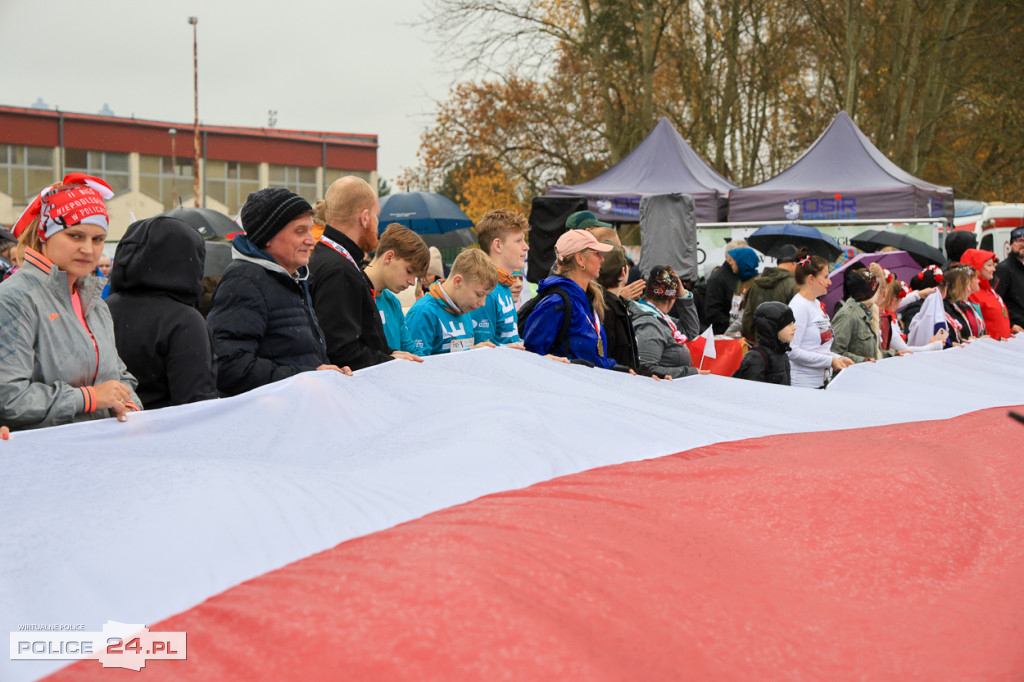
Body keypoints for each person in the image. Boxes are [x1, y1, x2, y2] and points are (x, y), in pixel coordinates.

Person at [0, 173, 141, 430]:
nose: (88, 249)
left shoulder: (96, 303)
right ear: (45, 235)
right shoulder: (14, 298)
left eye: (98, 239)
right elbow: (8, 399)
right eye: (75, 236)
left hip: (100, 449)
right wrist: (89, 398)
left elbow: (119, 377)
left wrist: (129, 406)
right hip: (44, 452)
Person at [207, 187, 349, 397]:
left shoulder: (293, 278)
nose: (311, 240)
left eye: (310, 230)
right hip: (267, 413)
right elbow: (227, 365)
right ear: (268, 237)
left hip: (294, 407)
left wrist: (329, 373)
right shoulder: (244, 281)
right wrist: (306, 376)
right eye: (300, 231)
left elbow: (299, 355)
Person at [106, 216, 218, 409]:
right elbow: (195, 404)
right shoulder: (184, 320)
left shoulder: (101, 308)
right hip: (160, 425)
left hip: (111, 421)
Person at [309, 176, 419, 369]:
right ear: (365, 217)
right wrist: (390, 362)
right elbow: (342, 352)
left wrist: (388, 353)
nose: (377, 225)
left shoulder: (333, 259)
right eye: (377, 216)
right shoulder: (338, 270)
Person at [522, 229, 618, 368]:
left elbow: (592, 358)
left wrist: (616, 368)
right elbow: (531, 357)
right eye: (597, 253)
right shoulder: (556, 302)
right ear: (580, 259)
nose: (602, 259)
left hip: (588, 381)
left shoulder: (587, 300)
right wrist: (567, 365)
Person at [403, 248, 498, 356]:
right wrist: (467, 356)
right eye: (479, 294)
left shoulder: (464, 307)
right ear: (458, 282)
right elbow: (415, 364)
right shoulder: (423, 313)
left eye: (486, 295)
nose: (483, 303)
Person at [787, 255, 854, 388]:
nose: (830, 282)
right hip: (803, 384)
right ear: (811, 279)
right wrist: (830, 360)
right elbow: (792, 351)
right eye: (825, 277)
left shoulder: (816, 303)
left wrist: (838, 358)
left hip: (821, 382)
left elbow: (820, 349)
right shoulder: (799, 306)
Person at [364, 223, 430, 355]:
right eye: (409, 271)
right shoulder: (352, 293)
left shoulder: (392, 302)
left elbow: (410, 350)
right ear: (389, 257)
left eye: (416, 276)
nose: (412, 282)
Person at [630, 265, 706, 378]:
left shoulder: (658, 317)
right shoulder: (650, 324)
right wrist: (689, 372)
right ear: (672, 299)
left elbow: (690, 330)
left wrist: (684, 296)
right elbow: (645, 368)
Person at [472, 209, 530, 346]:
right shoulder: (485, 291)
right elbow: (482, 352)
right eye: (519, 241)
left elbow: (511, 342)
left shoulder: (504, 285)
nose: (526, 247)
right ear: (498, 245)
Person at [831, 267, 899, 364]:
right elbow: (835, 352)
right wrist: (862, 360)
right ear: (870, 293)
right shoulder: (847, 315)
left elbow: (872, 354)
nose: (880, 292)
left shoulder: (868, 311)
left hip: (867, 371)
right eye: (877, 289)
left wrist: (893, 354)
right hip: (854, 372)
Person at [740, 244, 800, 343]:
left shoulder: (756, 284)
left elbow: (747, 320)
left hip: (761, 345)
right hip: (787, 346)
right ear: (794, 263)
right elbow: (799, 319)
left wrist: (759, 337)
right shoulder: (795, 285)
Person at [960, 248, 1020, 339]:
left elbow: (996, 321)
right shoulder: (973, 293)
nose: (994, 269)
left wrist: (1008, 331)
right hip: (991, 345)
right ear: (977, 266)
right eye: (989, 265)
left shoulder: (989, 289)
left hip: (1000, 343)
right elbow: (977, 328)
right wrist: (997, 338)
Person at [732, 301, 795, 385]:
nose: (794, 328)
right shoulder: (756, 358)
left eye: (793, 323)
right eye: (789, 324)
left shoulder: (783, 355)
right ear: (772, 328)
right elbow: (750, 390)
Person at [705, 246, 759, 335]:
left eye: (733, 260)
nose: (730, 263)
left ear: (742, 262)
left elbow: (745, 316)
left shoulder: (755, 284)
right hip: (735, 333)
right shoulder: (740, 281)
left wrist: (728, 333)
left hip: (747, 336)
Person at [995, 226, 1024, 329]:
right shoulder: (1003, 269)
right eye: (1020, 240)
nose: (1023, 244)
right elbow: (996, 302)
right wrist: (1011, 325)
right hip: (1017, 330)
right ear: (1011, 244)